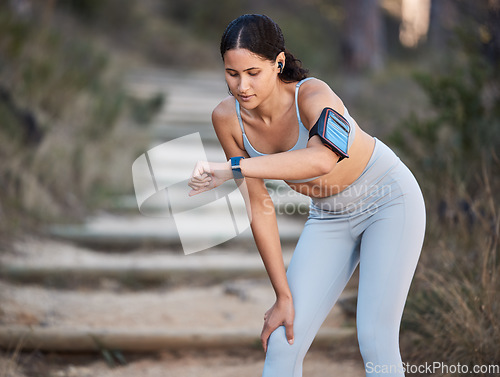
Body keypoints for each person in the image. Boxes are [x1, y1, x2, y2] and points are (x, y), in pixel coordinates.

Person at [188, 14, 425, 377]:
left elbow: (322, 159)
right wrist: (282, 295)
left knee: (375, 339)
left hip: (388, 200)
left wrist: (233, 168)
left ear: (278, 63)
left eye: (253, 73)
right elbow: (259, 206)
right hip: (329, 216)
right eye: (232, 74)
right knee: (283, 341)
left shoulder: (314, 95)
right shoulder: (226, 119)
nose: (242, 86)